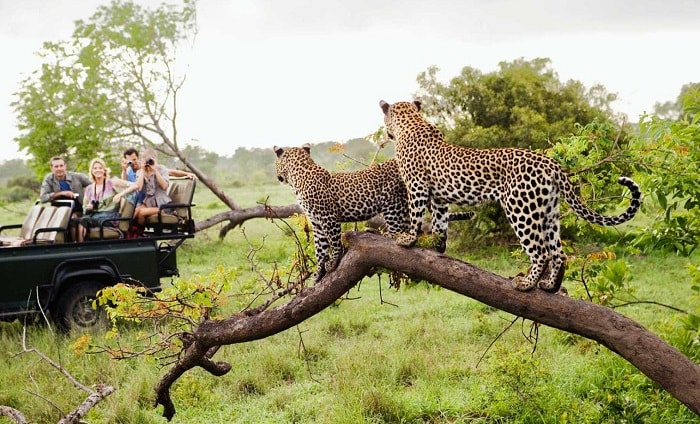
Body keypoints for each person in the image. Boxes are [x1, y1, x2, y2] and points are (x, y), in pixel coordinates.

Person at [75, 158, 138, 242]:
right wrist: (89, 208)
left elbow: (135, 186)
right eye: (95, 168)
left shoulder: (112, 183)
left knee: (84, 221)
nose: (98, 170)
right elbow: (84, 209)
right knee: (74, 221)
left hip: (109, 218)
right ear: (92, 171)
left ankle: (81, 248)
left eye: (100, 168)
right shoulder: (89, 189)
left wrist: (120, 194)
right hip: (94, 216)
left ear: (104, 170)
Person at [133, 150, 173, 227]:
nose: (149, 162)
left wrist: (155, 170)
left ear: (155, 159)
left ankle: (139, 234)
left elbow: (164, 186)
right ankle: (130, 232)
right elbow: (139, 188)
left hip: (163, 205)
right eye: (146, 160)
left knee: (141, 212)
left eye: (151, 160)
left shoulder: (162, 169)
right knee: (136, 210)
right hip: (149, 204)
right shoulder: (140, 172)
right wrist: (142, 170)